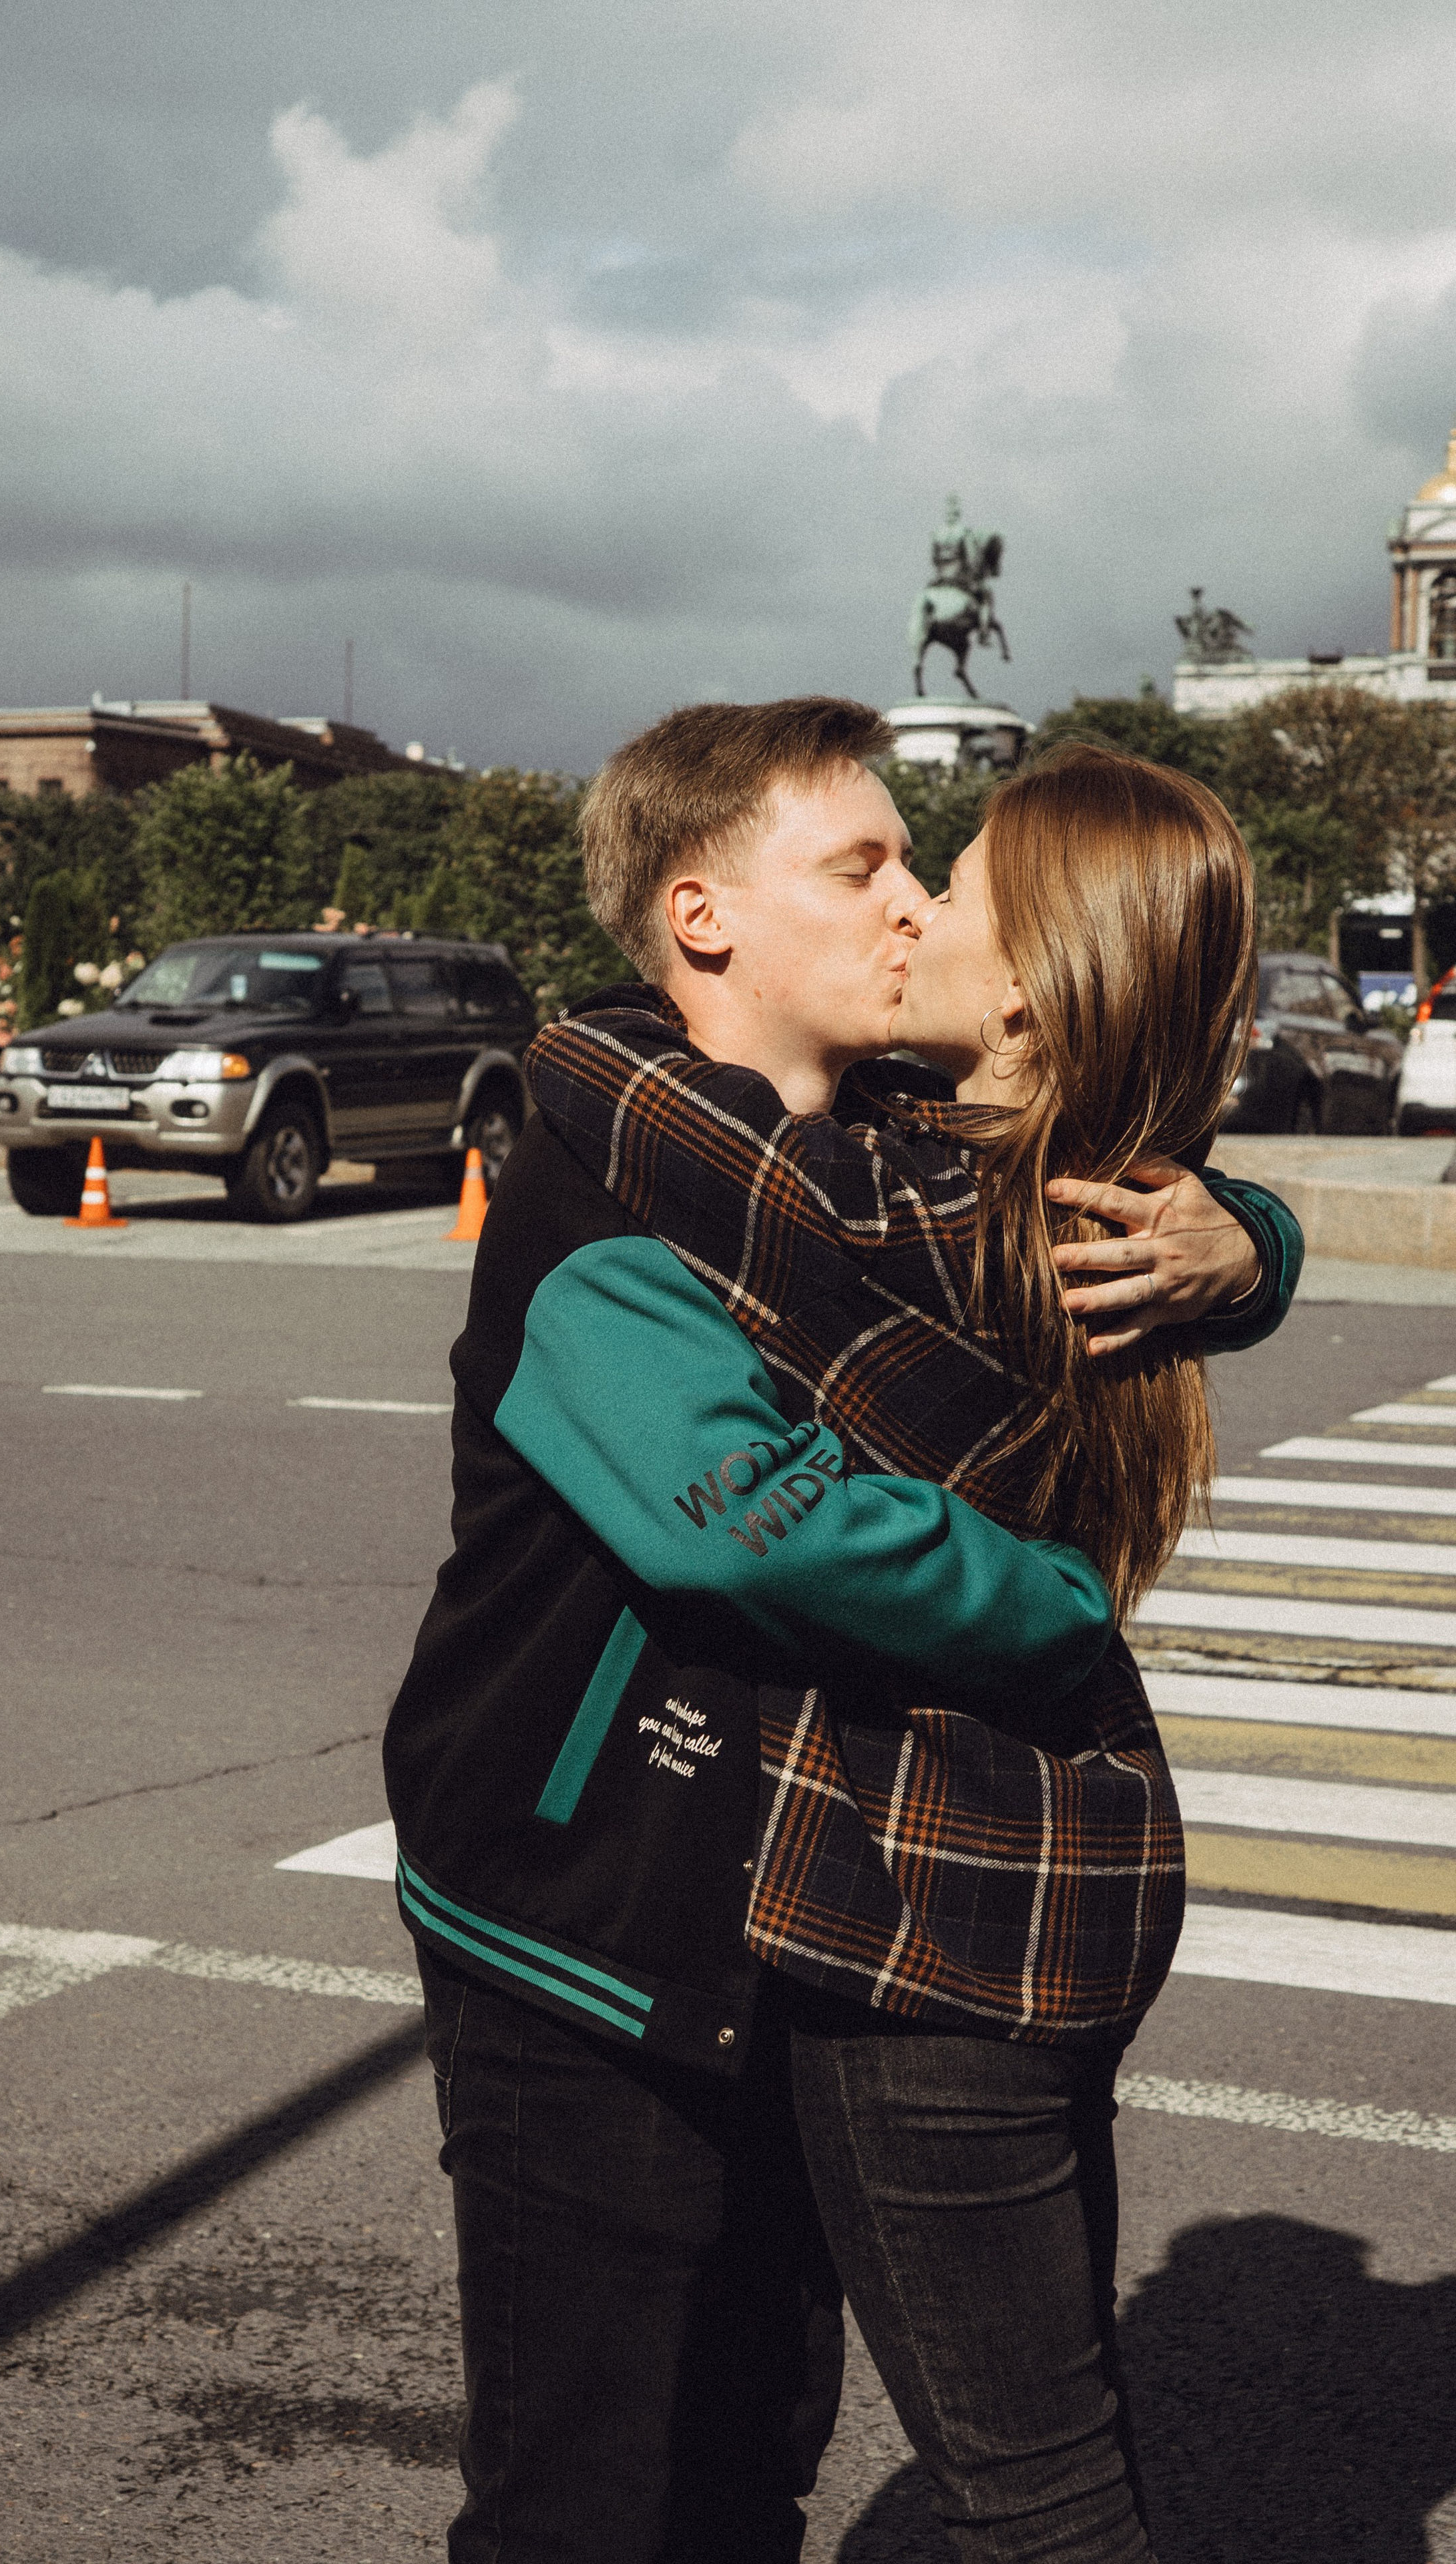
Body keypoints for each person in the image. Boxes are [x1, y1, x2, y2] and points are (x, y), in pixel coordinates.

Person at [383, 700, 1300, 2563]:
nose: (912, 903)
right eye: (864, 865)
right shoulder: (604, 1191)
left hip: (794, 1926)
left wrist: (1248, 1245)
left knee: (745, 2458)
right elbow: (749, 1522)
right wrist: (1050, 1613)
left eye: (920, 865)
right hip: (591, 1920)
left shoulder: (868, 1156)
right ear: (706, 917)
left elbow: (1092, 1151)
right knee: (591, 2495)